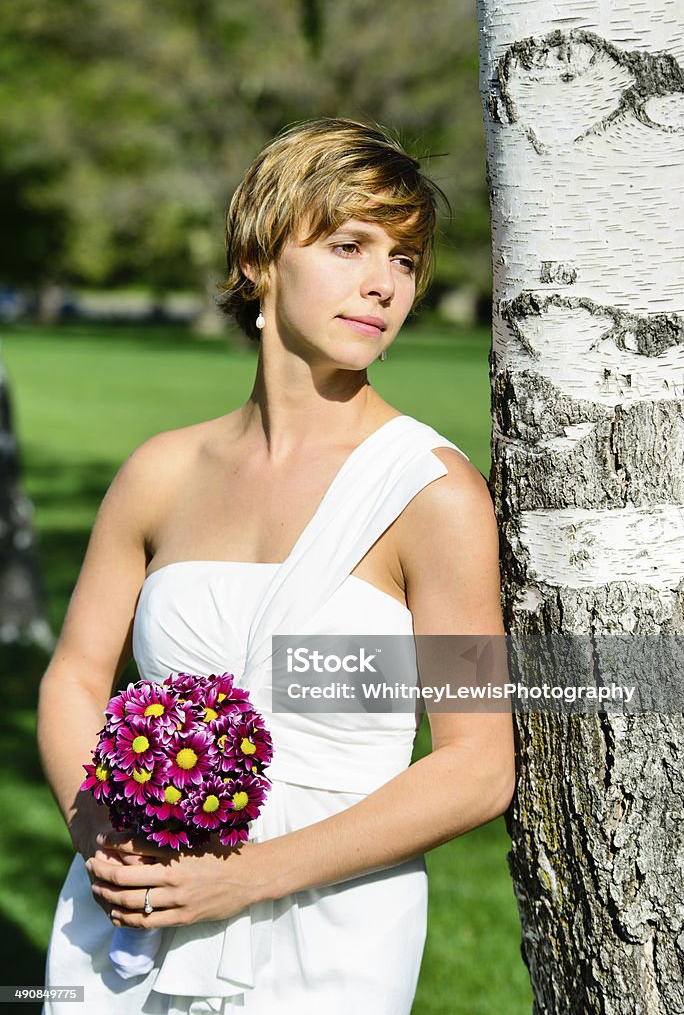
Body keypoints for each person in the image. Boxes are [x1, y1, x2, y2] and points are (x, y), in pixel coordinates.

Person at [39, 117, 515, 1014]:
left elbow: (479, 764)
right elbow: (74, 675)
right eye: (348, 245)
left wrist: (247, 878)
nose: (383, 283)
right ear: (260, 258)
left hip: (330, 925)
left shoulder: (434, 492)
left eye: (406, 260)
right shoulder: (161, 472)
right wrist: (98, 834)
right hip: (123, 907)